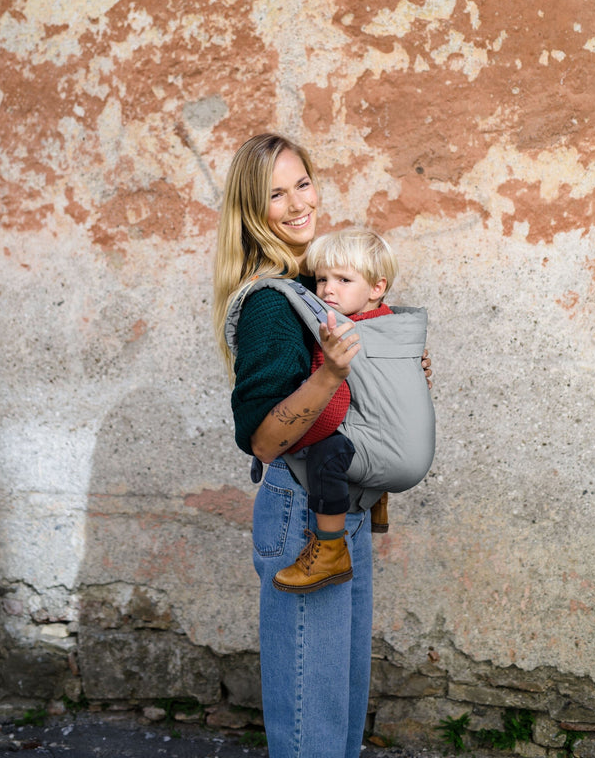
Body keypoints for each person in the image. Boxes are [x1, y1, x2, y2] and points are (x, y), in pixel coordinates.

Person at [213, 133, 432, 758]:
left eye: (302, 184)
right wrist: (332, 375)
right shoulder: (268, 304)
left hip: (341, 510)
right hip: (303, 513)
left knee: (338, 719)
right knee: (312, 724)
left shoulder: (316, 285)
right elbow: (263, 437)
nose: (296, 203)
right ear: (252, 211)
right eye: (275, 194)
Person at [272, 227, 399, 595]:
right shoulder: (388, 322)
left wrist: (292, 441)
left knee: (326, 453)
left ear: (376, 288)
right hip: (388, 436)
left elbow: (333, 408)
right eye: (322, 279)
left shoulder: (340, 331)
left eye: (344, 279)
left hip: (367, 441)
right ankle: (377, 501)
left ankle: (329, 547)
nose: (328, 290)